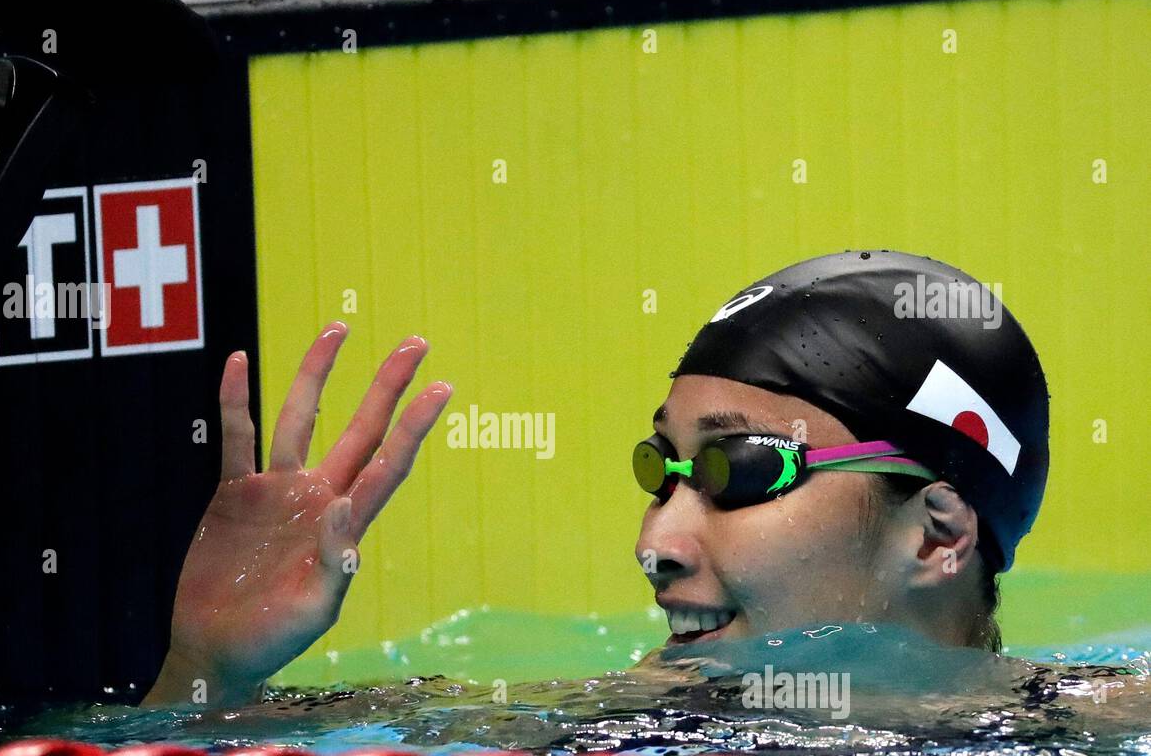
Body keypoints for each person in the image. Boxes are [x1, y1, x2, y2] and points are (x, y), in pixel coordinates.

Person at [143, 250, 1049, 708]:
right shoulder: (592, 742)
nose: (654, 545)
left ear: (939, 530)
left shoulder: (1103, 751)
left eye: (738, 471)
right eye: (663, 472)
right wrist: (207, 674)